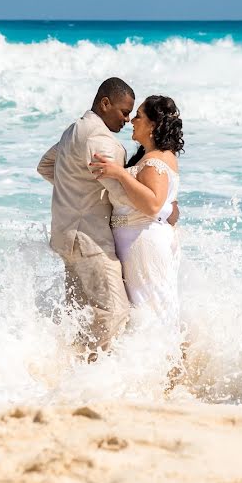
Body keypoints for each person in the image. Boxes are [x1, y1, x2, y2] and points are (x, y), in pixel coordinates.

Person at [36, 78, 175, 359]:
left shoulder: (73, 130)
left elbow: (46, 166)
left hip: (67, 237)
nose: (127, 119)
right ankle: (92, 376)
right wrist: (165, 209)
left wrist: (76, 190)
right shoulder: (100, 139)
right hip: (89, 241)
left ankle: (68, 367)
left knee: (81, 314)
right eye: (125, 112)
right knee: (115, 312)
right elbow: (122, 197)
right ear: (105, 103)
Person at [88, 95, 183, 329]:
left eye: (138, 116)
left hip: (143, 243)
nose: (132, 121)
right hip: (139, 240)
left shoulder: (155, 161)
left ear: (153, 124)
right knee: (152, 311)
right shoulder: (152, 157)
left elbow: (152, 205)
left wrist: (119, 174)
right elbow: (169, 207)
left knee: (151, 312)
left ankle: (165, 361)